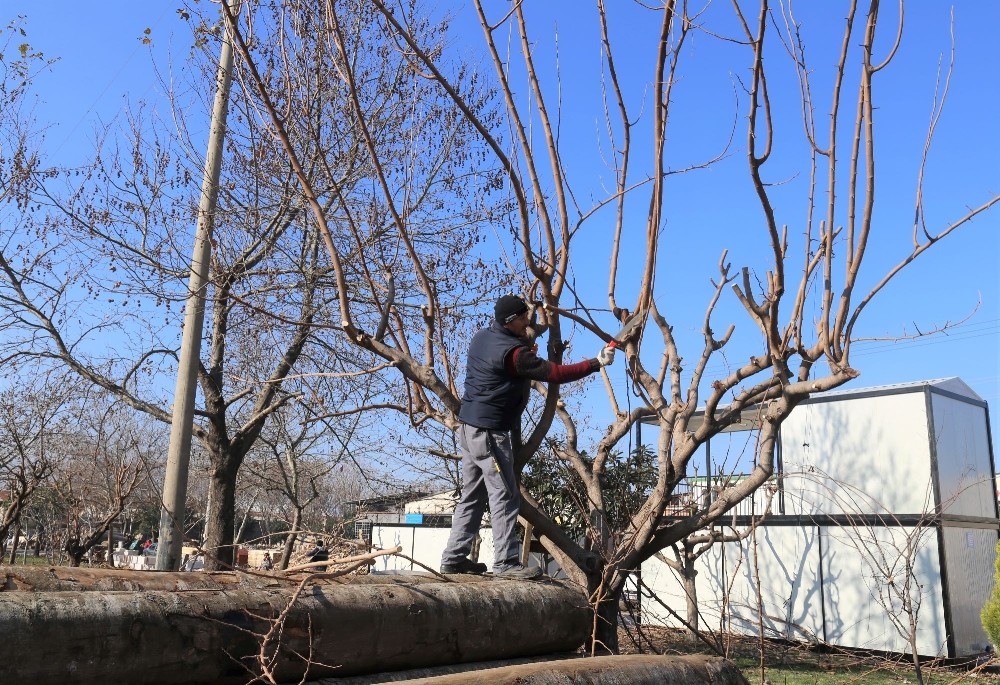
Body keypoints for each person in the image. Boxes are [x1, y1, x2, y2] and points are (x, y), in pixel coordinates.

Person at [440, 295, 616, 579]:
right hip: (490, 434)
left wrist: (524, 347)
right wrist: (595, 363)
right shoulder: (514, 354)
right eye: (524, 318)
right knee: (506, 495)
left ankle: (454, 558)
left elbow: (512, 361)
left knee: (472, 495)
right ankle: (506, 563)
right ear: (510, 322)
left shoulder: (483, 338)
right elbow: (554, 373)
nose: (528, 322)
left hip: (470, 428)